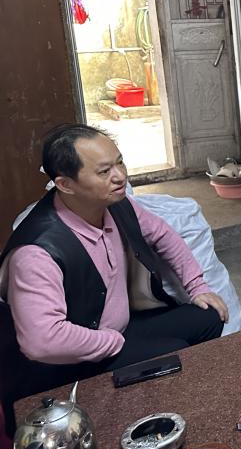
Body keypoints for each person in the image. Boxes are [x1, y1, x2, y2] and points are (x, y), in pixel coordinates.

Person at [0, 124, 227, 404]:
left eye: (119, 163)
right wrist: (111, 341)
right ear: (65, 184)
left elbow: (162, 234)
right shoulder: (37, 252)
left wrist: (197, 286)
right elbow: (41, 342)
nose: (119, 176)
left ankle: (193, 397)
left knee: (208, 315)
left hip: (117, 330)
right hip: (69, 360)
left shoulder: (113, 204)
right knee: (173, 352)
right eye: (104, 171)